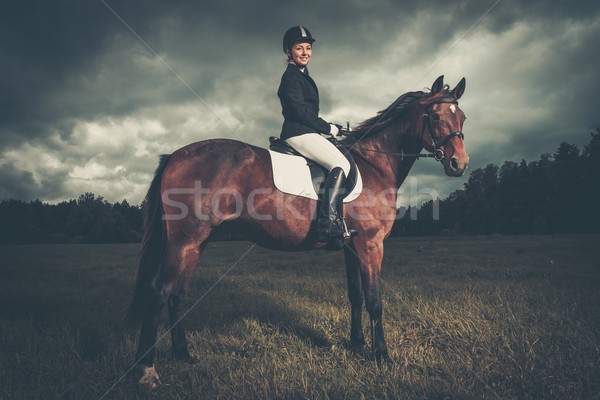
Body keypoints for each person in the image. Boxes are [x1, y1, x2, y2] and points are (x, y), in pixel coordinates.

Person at [277, 25, 353, 243]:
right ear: (288, 51)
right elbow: (299, 111)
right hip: (298, 132)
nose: (305, 52)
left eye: (308, 48)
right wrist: (328, 128)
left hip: (307, 131)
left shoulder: (302, 76)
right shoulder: (291, 77)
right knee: (342, 165)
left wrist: (327, 127)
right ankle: (327, 223)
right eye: (299, 48)